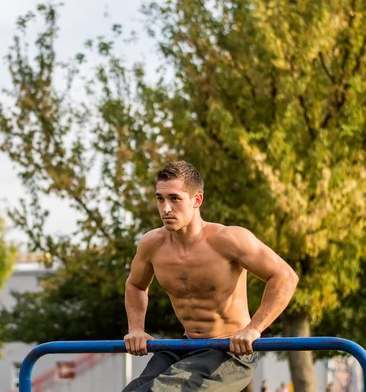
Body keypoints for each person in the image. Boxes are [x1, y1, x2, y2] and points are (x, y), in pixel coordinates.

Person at [122, 161, 299, 392]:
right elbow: (135, 285)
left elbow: (285, 276)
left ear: (197, 200)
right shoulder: (152, 245)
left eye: (174, 199)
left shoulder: (228, 239)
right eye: (160, 199)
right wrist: (136, 328)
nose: (165, 208)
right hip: (184, 346)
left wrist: (254, 328)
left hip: (229, 351)